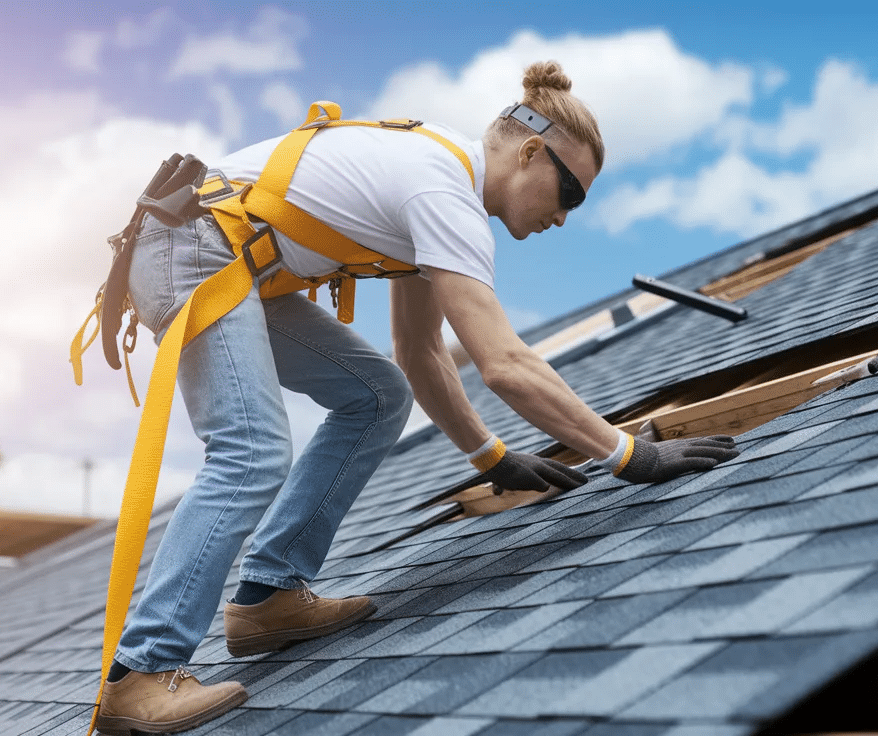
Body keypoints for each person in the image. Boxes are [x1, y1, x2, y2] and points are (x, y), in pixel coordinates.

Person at [93, 60, 739, 734]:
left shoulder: (438, 180)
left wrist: (489, 458)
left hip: (221, 254)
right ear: (528, 153)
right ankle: (141, 674)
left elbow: (422, 353)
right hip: (193, 248)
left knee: (376, 395)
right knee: (251, 451)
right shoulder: (444, 191)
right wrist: (629, 456)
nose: (565, 216)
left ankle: (267, 598)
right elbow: (506, 364)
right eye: (569, 191)